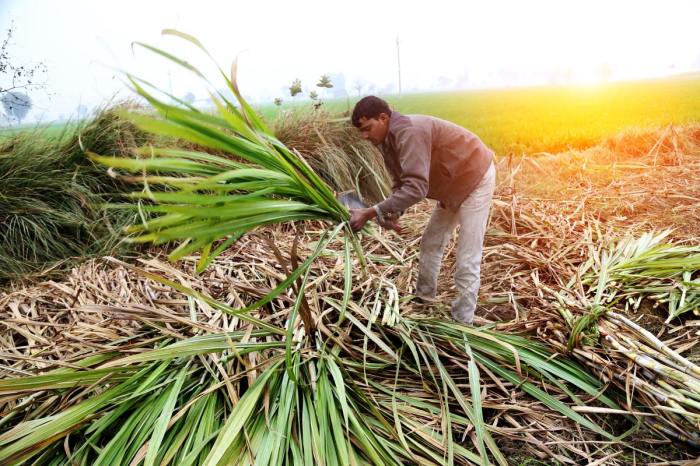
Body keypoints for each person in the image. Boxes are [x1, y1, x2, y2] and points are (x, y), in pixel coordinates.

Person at [349, 96, 495, 325]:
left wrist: (371, 212)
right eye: (361, 131)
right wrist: (392, 212)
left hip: (474, 176)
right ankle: (424, 301)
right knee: (430, 242)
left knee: (467, 256)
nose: (364, 136)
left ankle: (463, 321)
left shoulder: (409, 132)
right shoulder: (386, 141)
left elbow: (417, 188)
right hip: (451, 184)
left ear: (383, 118)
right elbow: (401, 183)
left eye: (367, 129)